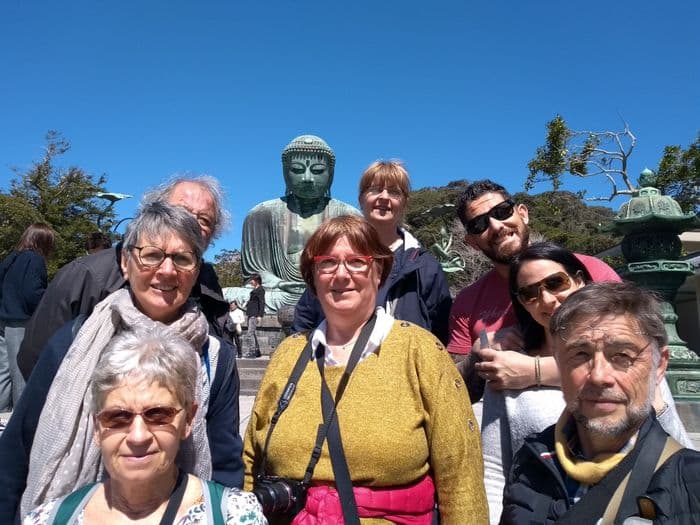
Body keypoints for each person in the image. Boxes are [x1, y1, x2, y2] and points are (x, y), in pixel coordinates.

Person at [0, 202, 243, 523]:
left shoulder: (215, 357)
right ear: (126, 263)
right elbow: (19, 446)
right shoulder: (74, 340)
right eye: (152, 255)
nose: (167, 270)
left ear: (195, 271)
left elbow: (224, 461)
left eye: (182, 259)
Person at [243, 215, 487, 524]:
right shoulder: (289, 354)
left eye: (357, 262)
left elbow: (461, 474)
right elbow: (251, 458)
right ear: (313, 278)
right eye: (327, 263)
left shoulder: (420, 351)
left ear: (378, 272)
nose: (341, 275)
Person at [474, 242, 692, 524]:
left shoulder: (634, 355)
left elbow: (676, 450)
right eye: (530, 293)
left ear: (579, 280)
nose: (548, 299)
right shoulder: (506, 365)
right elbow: (493, 468)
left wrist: (534, 371)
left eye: (555, 282)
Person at [22, 330, 265, 525]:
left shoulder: (235, 516)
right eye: (118, 417)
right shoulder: (46, 519)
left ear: (188, 420)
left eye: (158, 414)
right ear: (97, 427)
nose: (138, 437)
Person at [17, 175, 230, 380]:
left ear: (212, 234)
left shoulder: (208, 283)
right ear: (153, 212)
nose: (191, 223)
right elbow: (37, 361)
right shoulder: (87, 276)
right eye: (182, 211)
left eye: (204, 220)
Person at [447, 179, 620, 397]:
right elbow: (452, 385)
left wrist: (533, 371)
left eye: (502, 211)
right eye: (479, 224)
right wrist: (477, 354)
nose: (496, 226)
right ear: (472, 242)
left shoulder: (591, 271)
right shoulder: (467, 301)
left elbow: (631, 357)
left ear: (523, 213)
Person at [293, 160, 452, 344]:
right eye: (375, 190)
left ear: (404, 202)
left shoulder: (424, 266)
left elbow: (441, 333)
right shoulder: (334, 255)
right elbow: (305, 319)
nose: (384, 197)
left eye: (394, 192)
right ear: (361, 199)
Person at [240, 135, 359, 312]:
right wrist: (279, 283)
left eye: (318, 171)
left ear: (331, 174)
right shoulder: (262, 213)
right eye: (297, 169)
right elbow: (254, 275)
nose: (307, 178)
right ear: (285, 172)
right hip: (281, 293)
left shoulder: (348, 215)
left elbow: (357, 269)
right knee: (233, 295)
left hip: (331, 289)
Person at [0, 224, 55, 411]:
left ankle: (2, 412)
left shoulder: (11, 258)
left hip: (3, 319)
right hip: (21, 320)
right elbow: (32, 293)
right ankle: (20, 415)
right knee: (21, 369)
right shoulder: (35, 260)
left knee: (4, 371)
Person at [245, 275, 265, 358]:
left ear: (256, 280)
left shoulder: (260, 290)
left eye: (252, 280)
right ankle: (257, 351)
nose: (250, 281)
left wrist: (260, 315)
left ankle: (252, 352)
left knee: (250, 333)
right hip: (250, 313)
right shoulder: (255, 289)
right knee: (252, 333)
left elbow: (262, 302)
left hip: (254, 314)